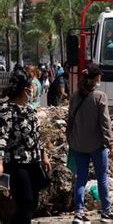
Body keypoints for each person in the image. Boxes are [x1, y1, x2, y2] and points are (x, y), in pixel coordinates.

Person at [66, 63, 113, 223]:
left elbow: (70, 120)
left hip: (78, 145)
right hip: (97, 146)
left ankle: (79, 213)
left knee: (81, 179)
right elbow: (105, 123)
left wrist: (70, 139)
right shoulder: (100, 96)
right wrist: (110, 144)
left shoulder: (75, 96)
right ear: (96, 78)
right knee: (102, 179)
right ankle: (106, 212)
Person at [0, 67, 52, 224]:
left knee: (32, 203)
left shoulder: (29, 109)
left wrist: (44, 155)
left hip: (34, 162)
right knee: (26, 202)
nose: (33, 88)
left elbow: (36, 135)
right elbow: (2, 136)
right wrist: (0, 161)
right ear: (24, 89)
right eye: (31, 86)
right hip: (16, 163)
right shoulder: (6, 110)